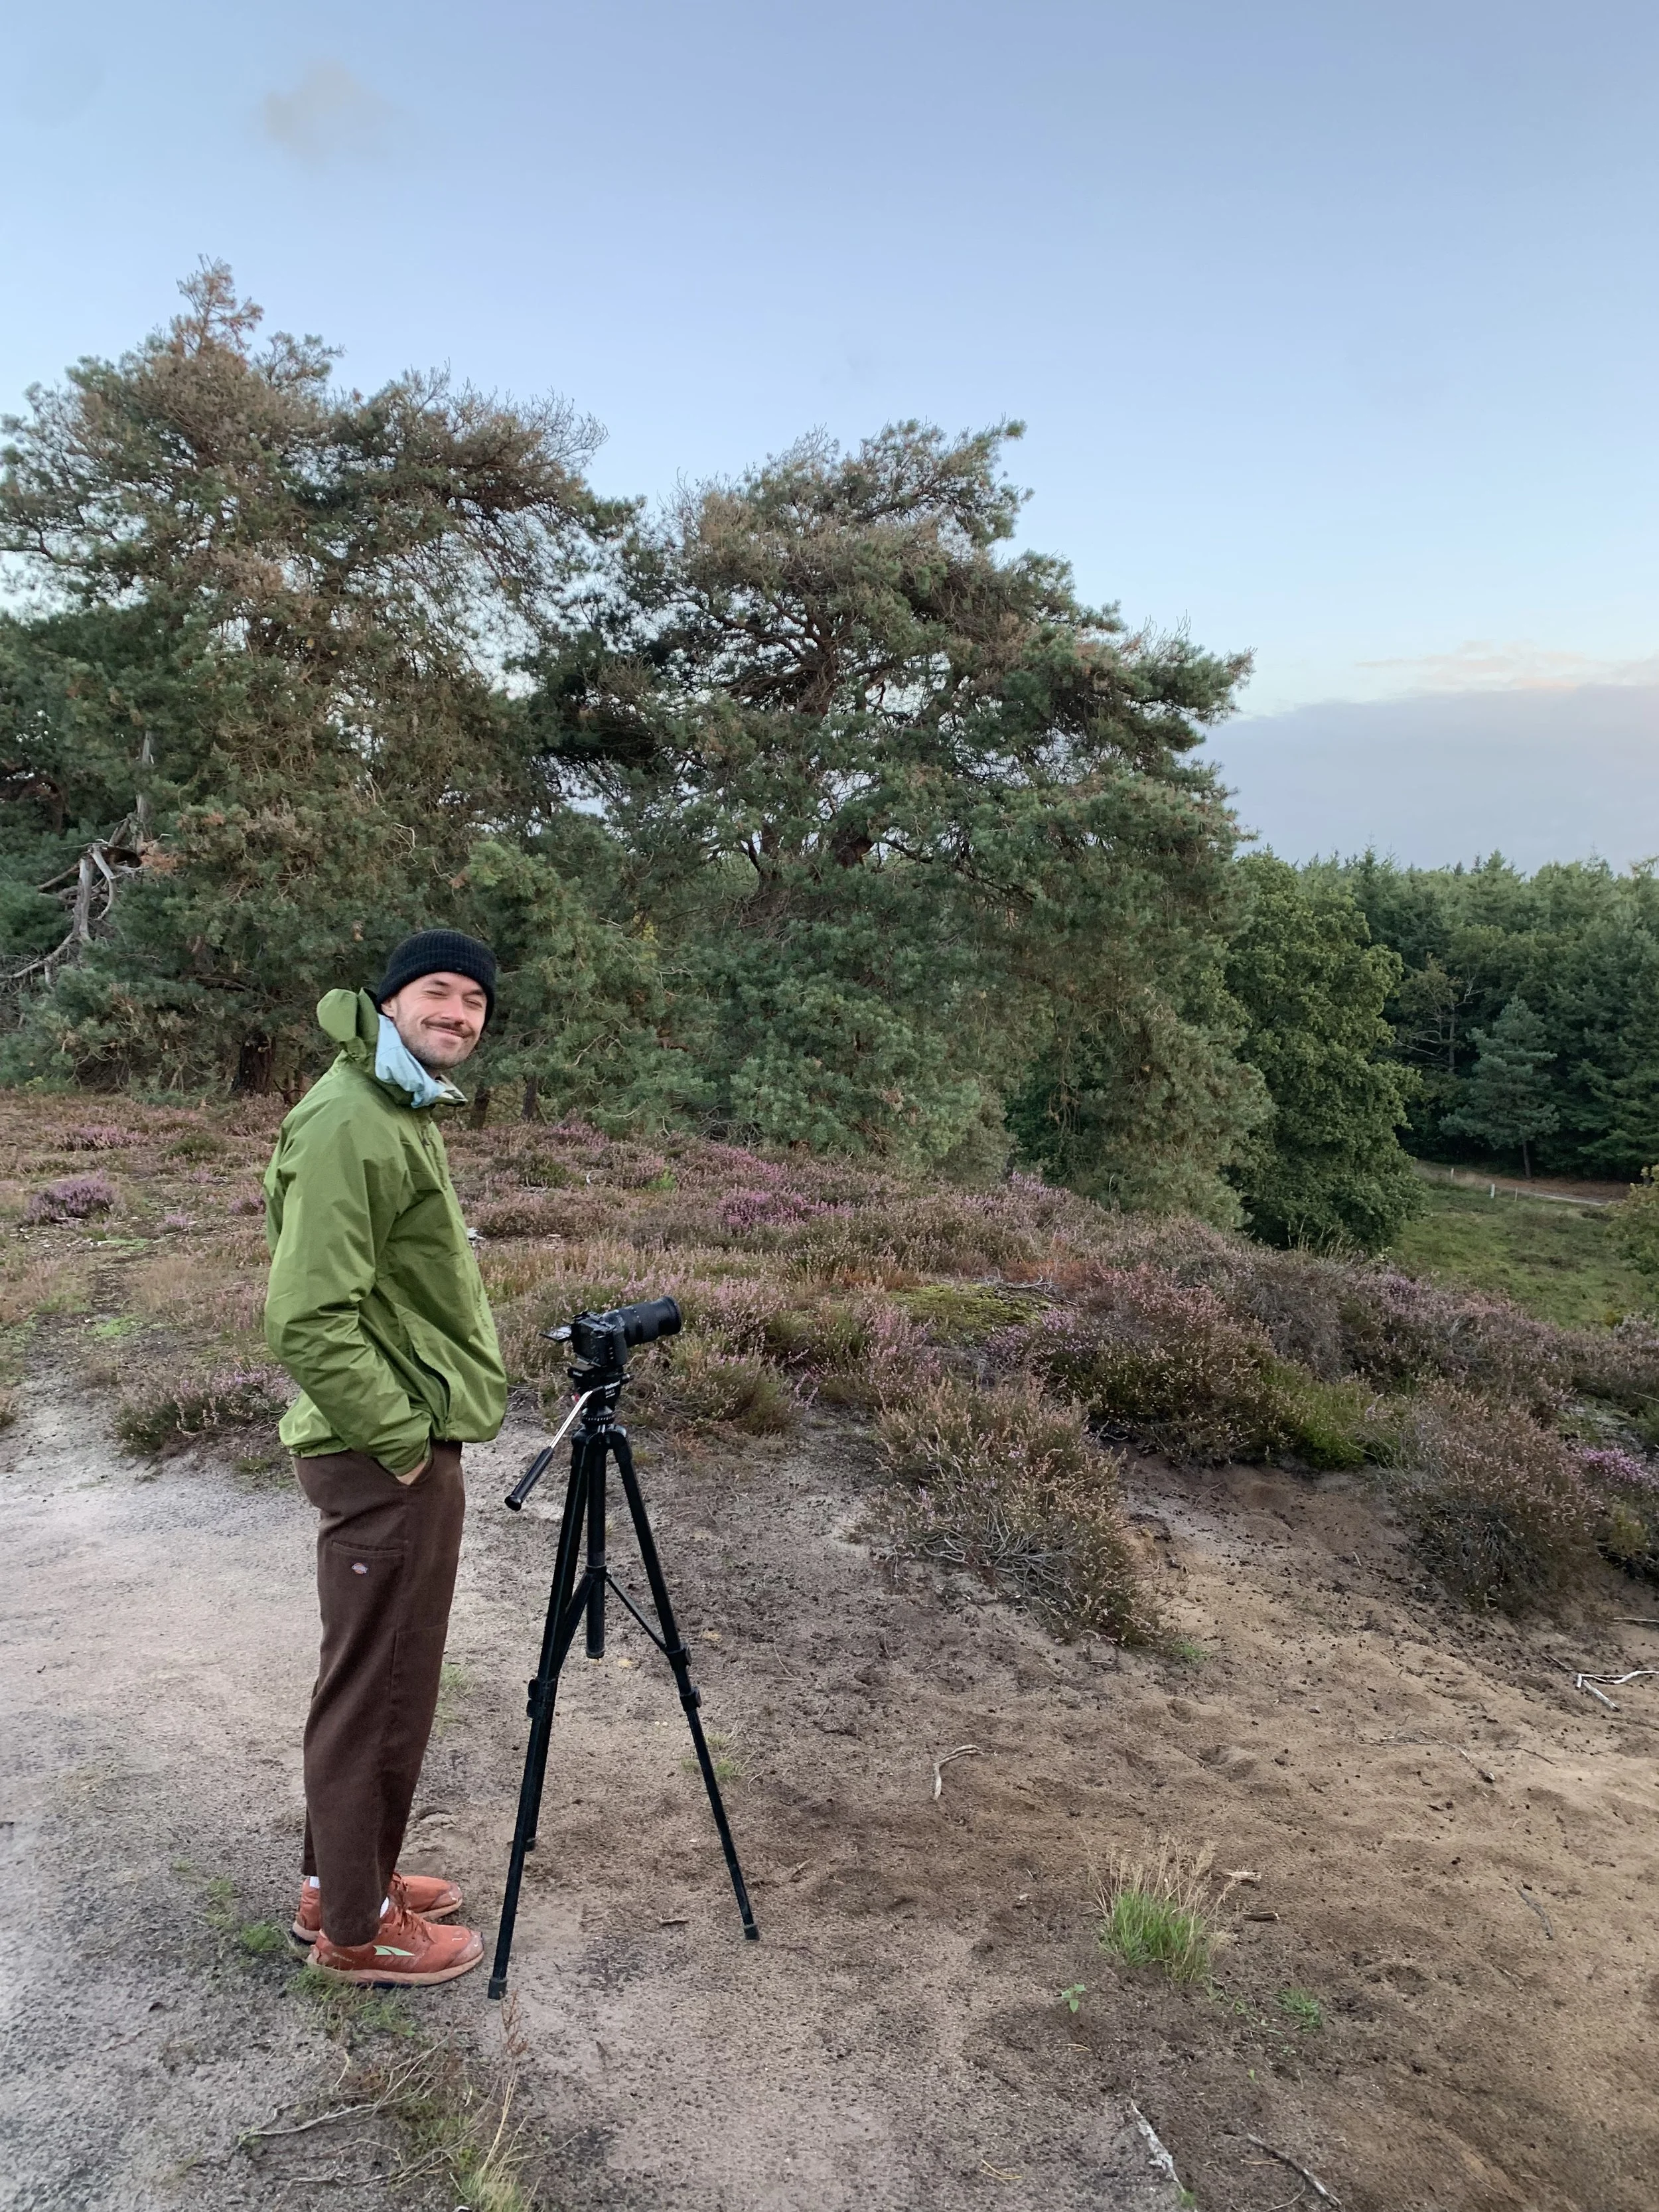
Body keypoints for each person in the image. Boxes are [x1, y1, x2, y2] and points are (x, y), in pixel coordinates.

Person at [263, 928, 508, 1986]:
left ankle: (345, 1882)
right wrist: (406, 1441)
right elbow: (309, 1318)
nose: (458, 1015)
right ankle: (358, 1936)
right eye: (439, 994)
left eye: (475, 1005)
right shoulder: (352, 1120)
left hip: (390, 1443)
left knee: (370, 1675)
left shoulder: (391, 1105)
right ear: (393, 1001)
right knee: (384, 1686)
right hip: (382, 1453)